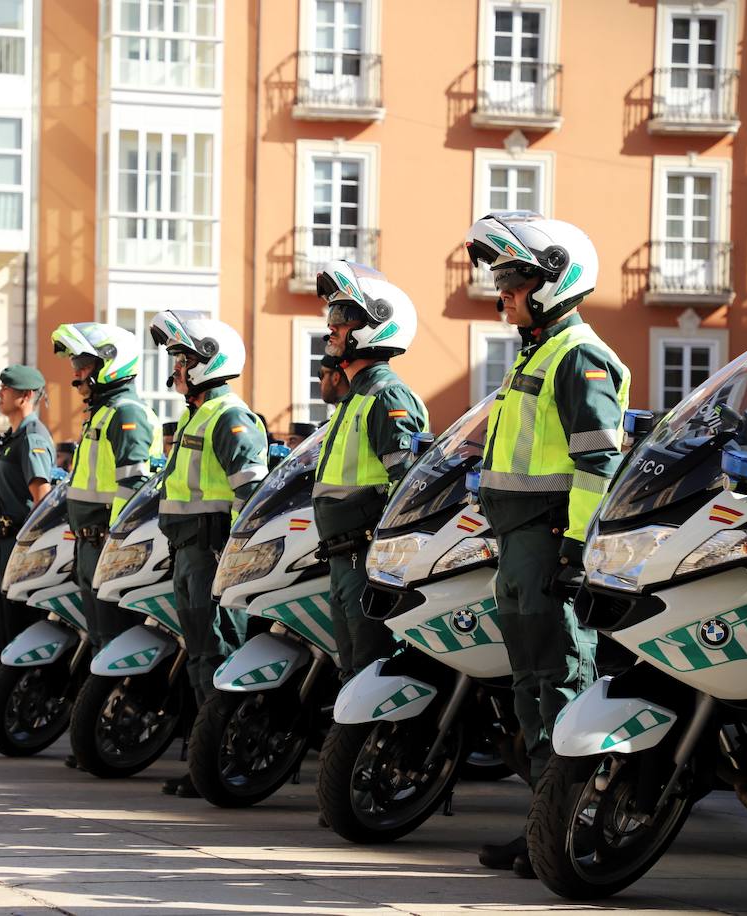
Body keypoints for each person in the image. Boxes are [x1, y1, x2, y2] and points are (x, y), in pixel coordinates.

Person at [465, 212, 628, 878]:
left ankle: (572, 829)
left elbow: (598, 464)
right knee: (533, 691)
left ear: (555, 282)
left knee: (561, 685)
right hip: (518, 543)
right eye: (500, 279)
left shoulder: (579, 355)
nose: (501, 292)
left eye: (513, 279)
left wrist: (574, 553)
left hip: (549, 543)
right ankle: (544, 826)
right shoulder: (534, 353)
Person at [149, 310, 268, 798]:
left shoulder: (229, 415)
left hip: (211, 550)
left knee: (220, 655)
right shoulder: (196, 413)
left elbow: (251, 494)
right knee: (200, 657)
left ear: (208, 362)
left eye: (182, 358)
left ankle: (229, 759)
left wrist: (232, 557)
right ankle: (207, 761)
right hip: (187, 551)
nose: (175, 367)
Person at [311, 262, 428, 679]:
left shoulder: (387, 395)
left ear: (375, 325)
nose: (331, 331)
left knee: (369, 672)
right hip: (343, 558)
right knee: (351, 672)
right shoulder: (354, 397)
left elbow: (408, 487)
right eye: (332, 320)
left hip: (367, 559)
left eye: (341, 320)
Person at [52, 322, 162, 654]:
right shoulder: (102, 414)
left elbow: (133, 488)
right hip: (90, 545)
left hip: (108, 545)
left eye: (83, 365)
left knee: (115, 645)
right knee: (101, 643)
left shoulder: (126, 413)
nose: (77, 374)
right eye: (75, 365)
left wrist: (115, 543)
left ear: (109, 364)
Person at [0, 366, 55, 647]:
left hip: (17, 546)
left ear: (25, 396)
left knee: (20, 634)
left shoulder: (32, 437)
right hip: (2, 547)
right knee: (5, 632)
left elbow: (42, 499)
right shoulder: (15, 436)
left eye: (6, 388)